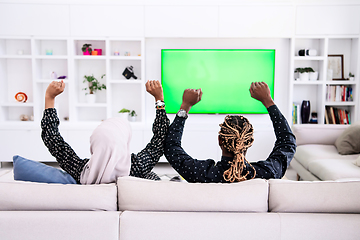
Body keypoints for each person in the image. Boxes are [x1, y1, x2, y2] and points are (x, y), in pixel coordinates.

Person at [41, 80, 170, 184]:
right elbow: (160, 138)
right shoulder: (137, 168)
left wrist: (49, 98)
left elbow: (52, 138)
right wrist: (159, 99)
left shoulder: (83, 172)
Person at [164, 82, 296, 183]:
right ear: (249, 142)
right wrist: (268, 101)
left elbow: (170, 146)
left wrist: (185, 106)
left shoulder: (199, 172)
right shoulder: (267, 173)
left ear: (220, 140)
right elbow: (287, 143)